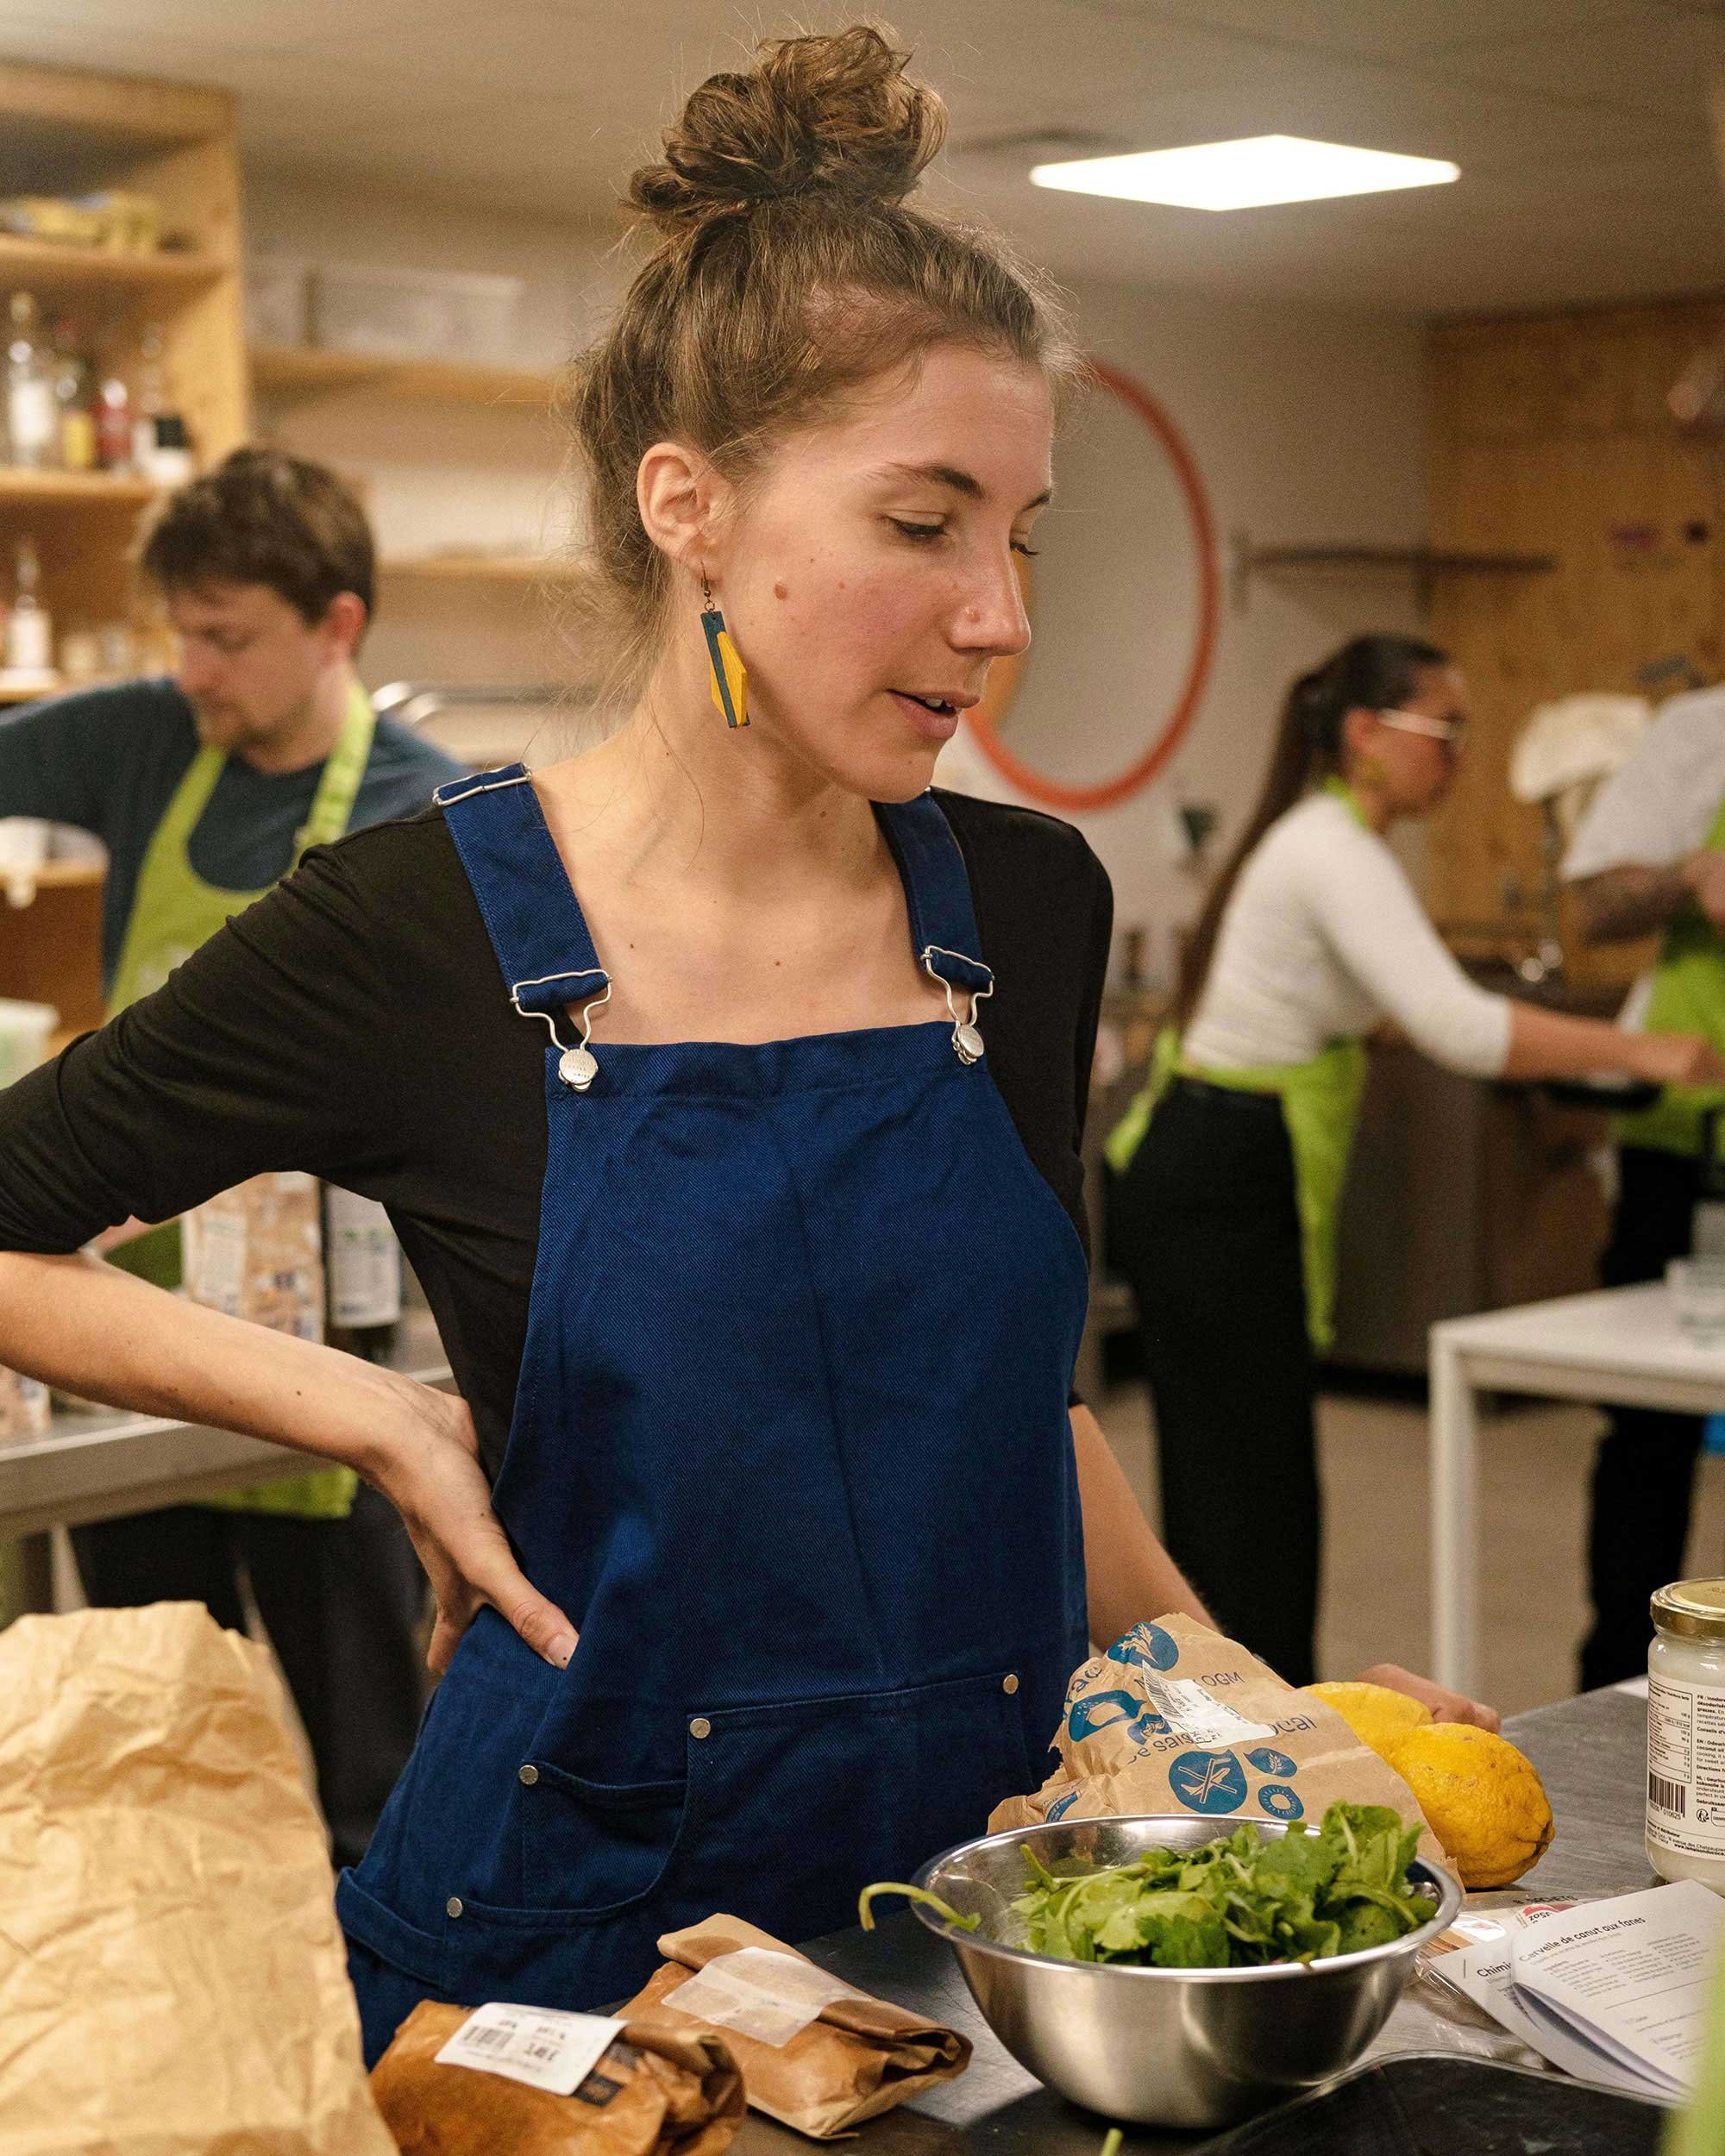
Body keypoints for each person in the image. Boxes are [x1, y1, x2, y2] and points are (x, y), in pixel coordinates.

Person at [0, 32, 1491, 2062]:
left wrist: (1237, 1688)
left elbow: (1011, 1405)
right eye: (920, 523)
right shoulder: (420, 929)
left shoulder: (1022, 913)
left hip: (987, 1906)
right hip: (577, 1947)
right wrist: (371, 1418)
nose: (996, 616)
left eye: (1018, 534)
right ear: (684, 504)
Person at [0, 447, 463, 1865]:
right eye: (178, 634)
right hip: (133, 1310)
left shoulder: (425, 805)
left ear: (337, 627)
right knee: (157, 1743)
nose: (192, 669)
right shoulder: (150, 740)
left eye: (226, 637)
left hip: (336, 1323)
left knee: (369, 1776)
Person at [1107, 635, 1725, 1688]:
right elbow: (1457, 1026)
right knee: (1244, 1495)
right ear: (1364, 733)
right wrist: (1645, 1050)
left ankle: (1253, 1721)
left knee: (1246, 1486)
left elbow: (1390, 1010)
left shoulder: (1334, 842)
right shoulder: (1328, 849)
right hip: (1215, 1172)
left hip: (1214, 1165)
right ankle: (1249, 1738)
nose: (1458, 758)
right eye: (1444, 732)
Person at [1561, 683, 1725, 1687]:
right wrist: (1693, 874)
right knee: (1645, 1436)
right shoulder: (1696, 733)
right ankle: (1624, 1684)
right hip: (1685, 1143)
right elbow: (1594, 902)